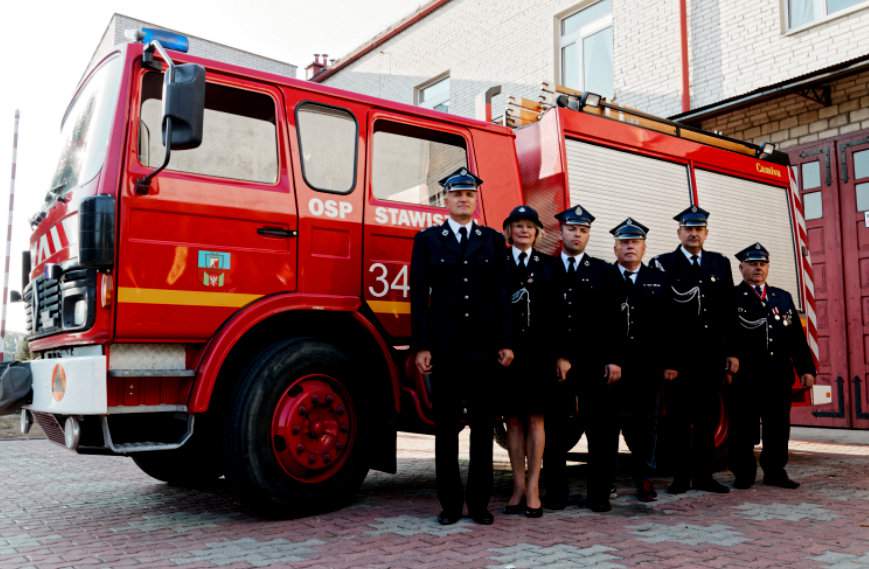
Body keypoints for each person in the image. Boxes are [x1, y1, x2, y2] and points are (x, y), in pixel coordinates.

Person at [410, 167, 514, 525]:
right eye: (457, 194)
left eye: (469, 194)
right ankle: (450, 505)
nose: (464, 199)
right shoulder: (427, 241)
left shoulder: (491, 240)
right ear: (446, 199)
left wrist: (504, 341)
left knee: (483, 429)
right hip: (446, 348)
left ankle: (480, 503)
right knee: (446, 429)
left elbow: (502, 295)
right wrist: (421, 346)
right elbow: (419, 295)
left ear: (475, 199)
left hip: (484, 349)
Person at [651, 206, 738, 494]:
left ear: (706, 233)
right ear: (679, 233)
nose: (693, 233)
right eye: (688, 229)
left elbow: (728, 312)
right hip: (680, 361)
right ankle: (680, 477)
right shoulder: (663, 264)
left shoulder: (719, 264)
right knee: (677, 420)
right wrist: (667, 360)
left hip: (710, 358)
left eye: (698, 229)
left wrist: (731, 353)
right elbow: (660, 318)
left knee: (707, 419)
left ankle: (704, 476)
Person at [544, 204, 623, 513]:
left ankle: (599, 495)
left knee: (600, 433)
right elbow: (541, 320)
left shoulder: (603, 271)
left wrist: (614, 359)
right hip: (557, 367)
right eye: (572, 228)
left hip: (594, 365)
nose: (577, 234)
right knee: (555, 434)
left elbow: (615, 320)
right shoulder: (546, 269)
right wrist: (557, 356)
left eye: (583, 229)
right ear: (561, 231)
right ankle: (555, 494)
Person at [729, 242, 816, 489]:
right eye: (752, 264)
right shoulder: (731, 298)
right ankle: (743, 473)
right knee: (743, 427)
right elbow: (725, 335)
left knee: (778, 427)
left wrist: (806, 369)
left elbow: (796, 340)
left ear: (767, 267)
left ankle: (775, 471)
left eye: (762, 264)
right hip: (746, 376)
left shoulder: (782, 297)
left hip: (778, 375)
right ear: (741, 267)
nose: (758, 268)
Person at [610, 218, 679, 502]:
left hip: (648, 367)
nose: (629, 247)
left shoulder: (659, 280)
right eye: (624, 243)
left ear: (644, 247)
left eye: (635, 242)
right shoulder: (605, 277)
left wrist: (671, 361)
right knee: (610, 423)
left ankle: (644, 477)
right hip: (613, 367)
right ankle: (607, 478)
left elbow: (670, 324)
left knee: (647, 424)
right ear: (615, 248)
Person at [499, 205, 554, 519]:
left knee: (536, 419)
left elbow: (558, 317)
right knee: (513, 421)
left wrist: (559, 355)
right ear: (508, 231)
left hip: (539, 356)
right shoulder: (498, 264)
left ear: (537, 232)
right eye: (517, 225)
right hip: (507, 356)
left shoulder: (548, 267)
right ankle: (517, 485)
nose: (523, 230)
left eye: (529, 226)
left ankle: (534, 486)